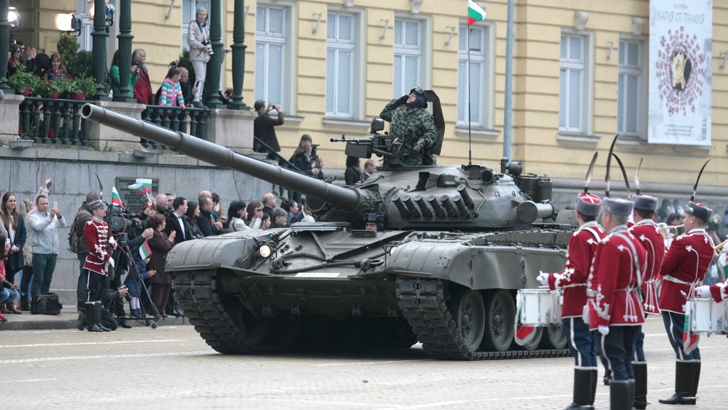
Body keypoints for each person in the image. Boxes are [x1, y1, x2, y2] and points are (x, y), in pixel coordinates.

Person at [536, 193, 604, 409]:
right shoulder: (602, 234)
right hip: (594, 301)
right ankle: (587, 400)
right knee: (590, 350)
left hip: (577, 302)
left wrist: (551, 279)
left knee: (581, 349)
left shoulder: (580, 237)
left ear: (577, 214)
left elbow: (577, 271)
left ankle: (582, 401)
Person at [588, 197, 647, 410]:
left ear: (609, 216)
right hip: (633, 309)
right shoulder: (635, 242)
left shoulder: (610, 243)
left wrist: (602, 317)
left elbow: (606, 283)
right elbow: (641, 278)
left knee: (615, 363)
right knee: (626, 362)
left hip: (615, 312)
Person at [658, 201, 714, 406]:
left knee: (680, 344)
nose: (683, 222)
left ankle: (683, 392)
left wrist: (666, 247)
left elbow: (664, 267)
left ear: (692, 219)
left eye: (685, 218)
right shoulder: (707, 241)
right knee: (692, 344)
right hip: (694, 295)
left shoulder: (682, 241)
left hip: (675, 298)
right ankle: (690, 391)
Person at [627, 194, 665, 409]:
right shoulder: (657, 232)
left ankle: (635, 393)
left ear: (634, 211)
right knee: (635, 340)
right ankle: (638, 394)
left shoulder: (635, 232)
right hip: (648, 291)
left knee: (629, 343)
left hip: (633, 292)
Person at [379, 86, 437, 166]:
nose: (410, 96)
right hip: (392, 158)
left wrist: (420, 143)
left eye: (413, 96)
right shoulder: (399, 110)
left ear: (420, 99)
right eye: (410, 94)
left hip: (411, 161)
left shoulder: (423, 114)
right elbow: (383, 114)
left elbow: (431, 133)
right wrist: (397, 102)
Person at [81, 199, 113, 332]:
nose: (104, 210)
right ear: (94, 211)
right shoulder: (90, 225)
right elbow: (93, 246)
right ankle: (91, 323)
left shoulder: (105, 225)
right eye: (101, 209)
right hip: (94, 264)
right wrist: (106, 257)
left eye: (104, 208)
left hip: (103, 266)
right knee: (92, 292)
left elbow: (105, 242)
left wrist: (113, 243)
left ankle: (98, 322)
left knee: (99, 294)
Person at [27, 195, 66, 303]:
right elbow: (38, 227)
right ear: (37, 205)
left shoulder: (51, 216)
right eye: (42, 204)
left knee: (47, 279)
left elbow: (63, 225)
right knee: (38, 279)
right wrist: (50, 218)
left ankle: (44, 302)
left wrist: (59, 216)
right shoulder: (33, 217)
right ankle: (36, 301)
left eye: (47, 203)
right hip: (40, 252)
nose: (45, 206)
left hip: (52, 252)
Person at [70, 192, 100, 325]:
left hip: (88, 249)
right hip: (85, 250)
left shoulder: (86, 212)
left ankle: (85, 304)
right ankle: (82, 305)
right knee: (84, 276)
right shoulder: (84, 214)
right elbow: (97, 224)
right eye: (99, 205)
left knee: (86, 276)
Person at [147, 214, 175, 318]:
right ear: (159, 223)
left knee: (166, 287)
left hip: (165, 264)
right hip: (157, 264)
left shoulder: (163, 234)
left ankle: (162, 308)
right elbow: (163, 246)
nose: (165, 223)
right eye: (164, 222)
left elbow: (169, 246)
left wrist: (169, 240)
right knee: (158, 288)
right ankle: (155, 308)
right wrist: (170, 239)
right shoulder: (154, 234)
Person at [1, 192, 25, 314]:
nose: (13, 203)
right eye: (10, 201)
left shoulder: (18, 217)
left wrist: (19, 246)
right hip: (4, 250)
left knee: (11, 275)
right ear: (5, 203)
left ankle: (10, 304)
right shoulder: (1, 216)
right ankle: (2, 305)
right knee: (3, 276)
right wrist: (7, 247)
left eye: (14, 201)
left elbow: (23, 234)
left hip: (15, 251)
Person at [188, 7, 211, 108]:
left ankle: (199, 97)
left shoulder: (206, 26)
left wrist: (209, 46)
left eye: (204, 15)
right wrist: (202, 46)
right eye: (200, 15)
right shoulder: (193, 25)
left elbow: (207, 39)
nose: (202, 17)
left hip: (204, 56)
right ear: (197, 15)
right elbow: (191, 41)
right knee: (199, 77)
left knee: (202, 78)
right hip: (197, 55)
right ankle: (196, 98)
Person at [0, 234, 18, 322]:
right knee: (5, 293)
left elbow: (3, 273)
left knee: (14, 293)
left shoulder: (2, 256)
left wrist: (6, 254)